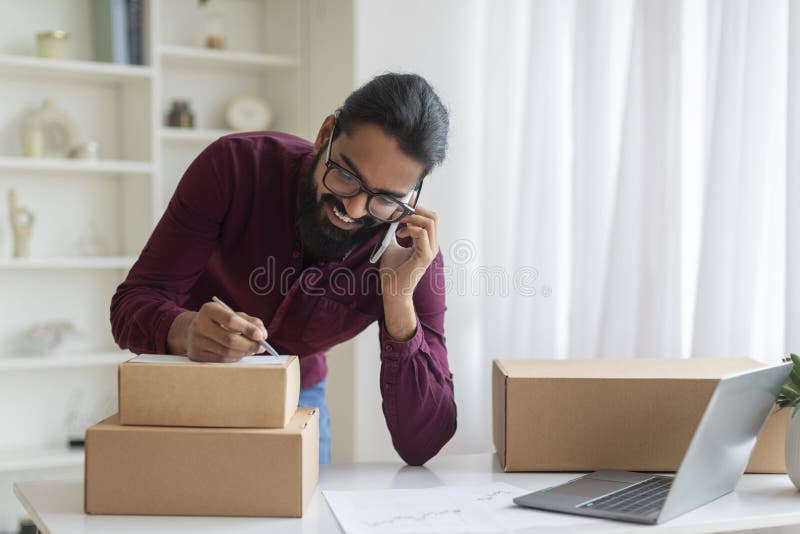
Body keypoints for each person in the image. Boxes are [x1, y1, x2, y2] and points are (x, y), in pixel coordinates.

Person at [110, 72, 456, 465]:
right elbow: (130, 306)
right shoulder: (236, 166)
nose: (355, 210)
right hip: (190, 384)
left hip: (299, 399)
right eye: (345, 175)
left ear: (412, 193)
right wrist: (186, 331)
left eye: (385, 199)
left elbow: (423, 443)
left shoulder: (411, 252)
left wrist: (398, 301)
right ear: (326, 135)